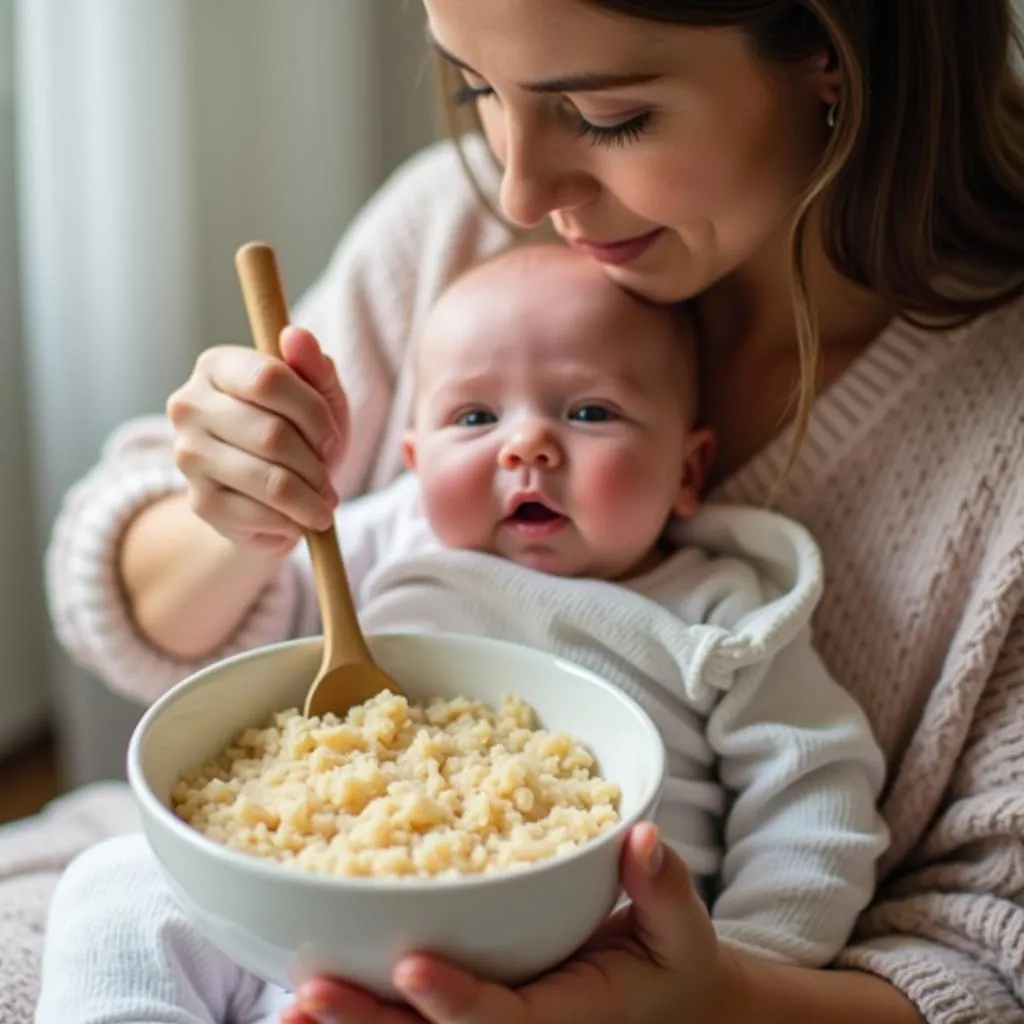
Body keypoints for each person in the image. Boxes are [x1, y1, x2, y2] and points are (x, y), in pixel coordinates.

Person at [42, 1, 1024, 1022]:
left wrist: (716, 988)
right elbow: (131, 608)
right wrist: (242, 509)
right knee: (103, 892)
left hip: (623, 972)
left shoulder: (749, 597)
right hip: (272, 917)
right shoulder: (450, 226)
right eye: (475, 89)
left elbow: (988, 958)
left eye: (605, 115)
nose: (519, 190)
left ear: (835, 56)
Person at [35, 243, 889, 1024]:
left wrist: (734, 969)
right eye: (475, 420)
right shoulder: (387, 539)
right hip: (299, 933)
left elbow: (813, 802)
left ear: (688, 470)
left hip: (580, 973)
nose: (527, 447)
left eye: (590, 412)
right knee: (115, 884)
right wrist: (254, 525)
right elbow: (253, 638)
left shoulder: (722, 614)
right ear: (412, 462)